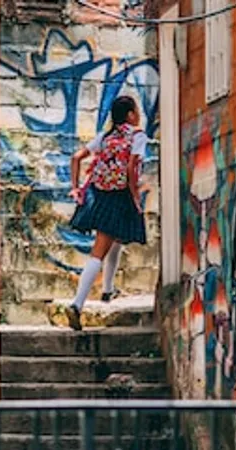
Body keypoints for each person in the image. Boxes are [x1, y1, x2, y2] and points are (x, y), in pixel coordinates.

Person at [65, 95, 148, 331]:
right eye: (136, 111)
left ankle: (107, 290)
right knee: (99, 251)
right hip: (120, 196)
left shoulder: (105, 137)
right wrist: (134, 196)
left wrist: (74, 187)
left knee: (115, 239)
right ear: (131, 115)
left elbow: (76, 157)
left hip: (99, 195)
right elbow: (132, 167)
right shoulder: (137, 136)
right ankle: (77, 304)